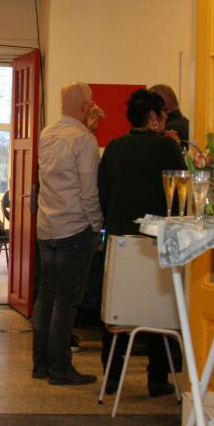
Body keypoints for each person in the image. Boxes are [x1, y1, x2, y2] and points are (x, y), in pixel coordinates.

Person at [97, 89, 186, 397]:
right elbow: (181, 192)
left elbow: (103, 193)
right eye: (162, 115)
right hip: (156, 238)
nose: (164, 121)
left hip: (121, 239)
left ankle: (112, 375)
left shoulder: (114, 148)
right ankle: (157, 378)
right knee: (159, 307)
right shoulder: (168, 148)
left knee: (116, 307)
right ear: (152, 118)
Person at [31, 82, 104, 386]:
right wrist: (97, 225)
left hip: (46, 228)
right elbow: (88, 193)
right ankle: (61, 368)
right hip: (74, 230)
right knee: (66, 303)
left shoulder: (47, 134)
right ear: (85, 106)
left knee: (45, 297)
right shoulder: (84, 141)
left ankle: (41, 364)